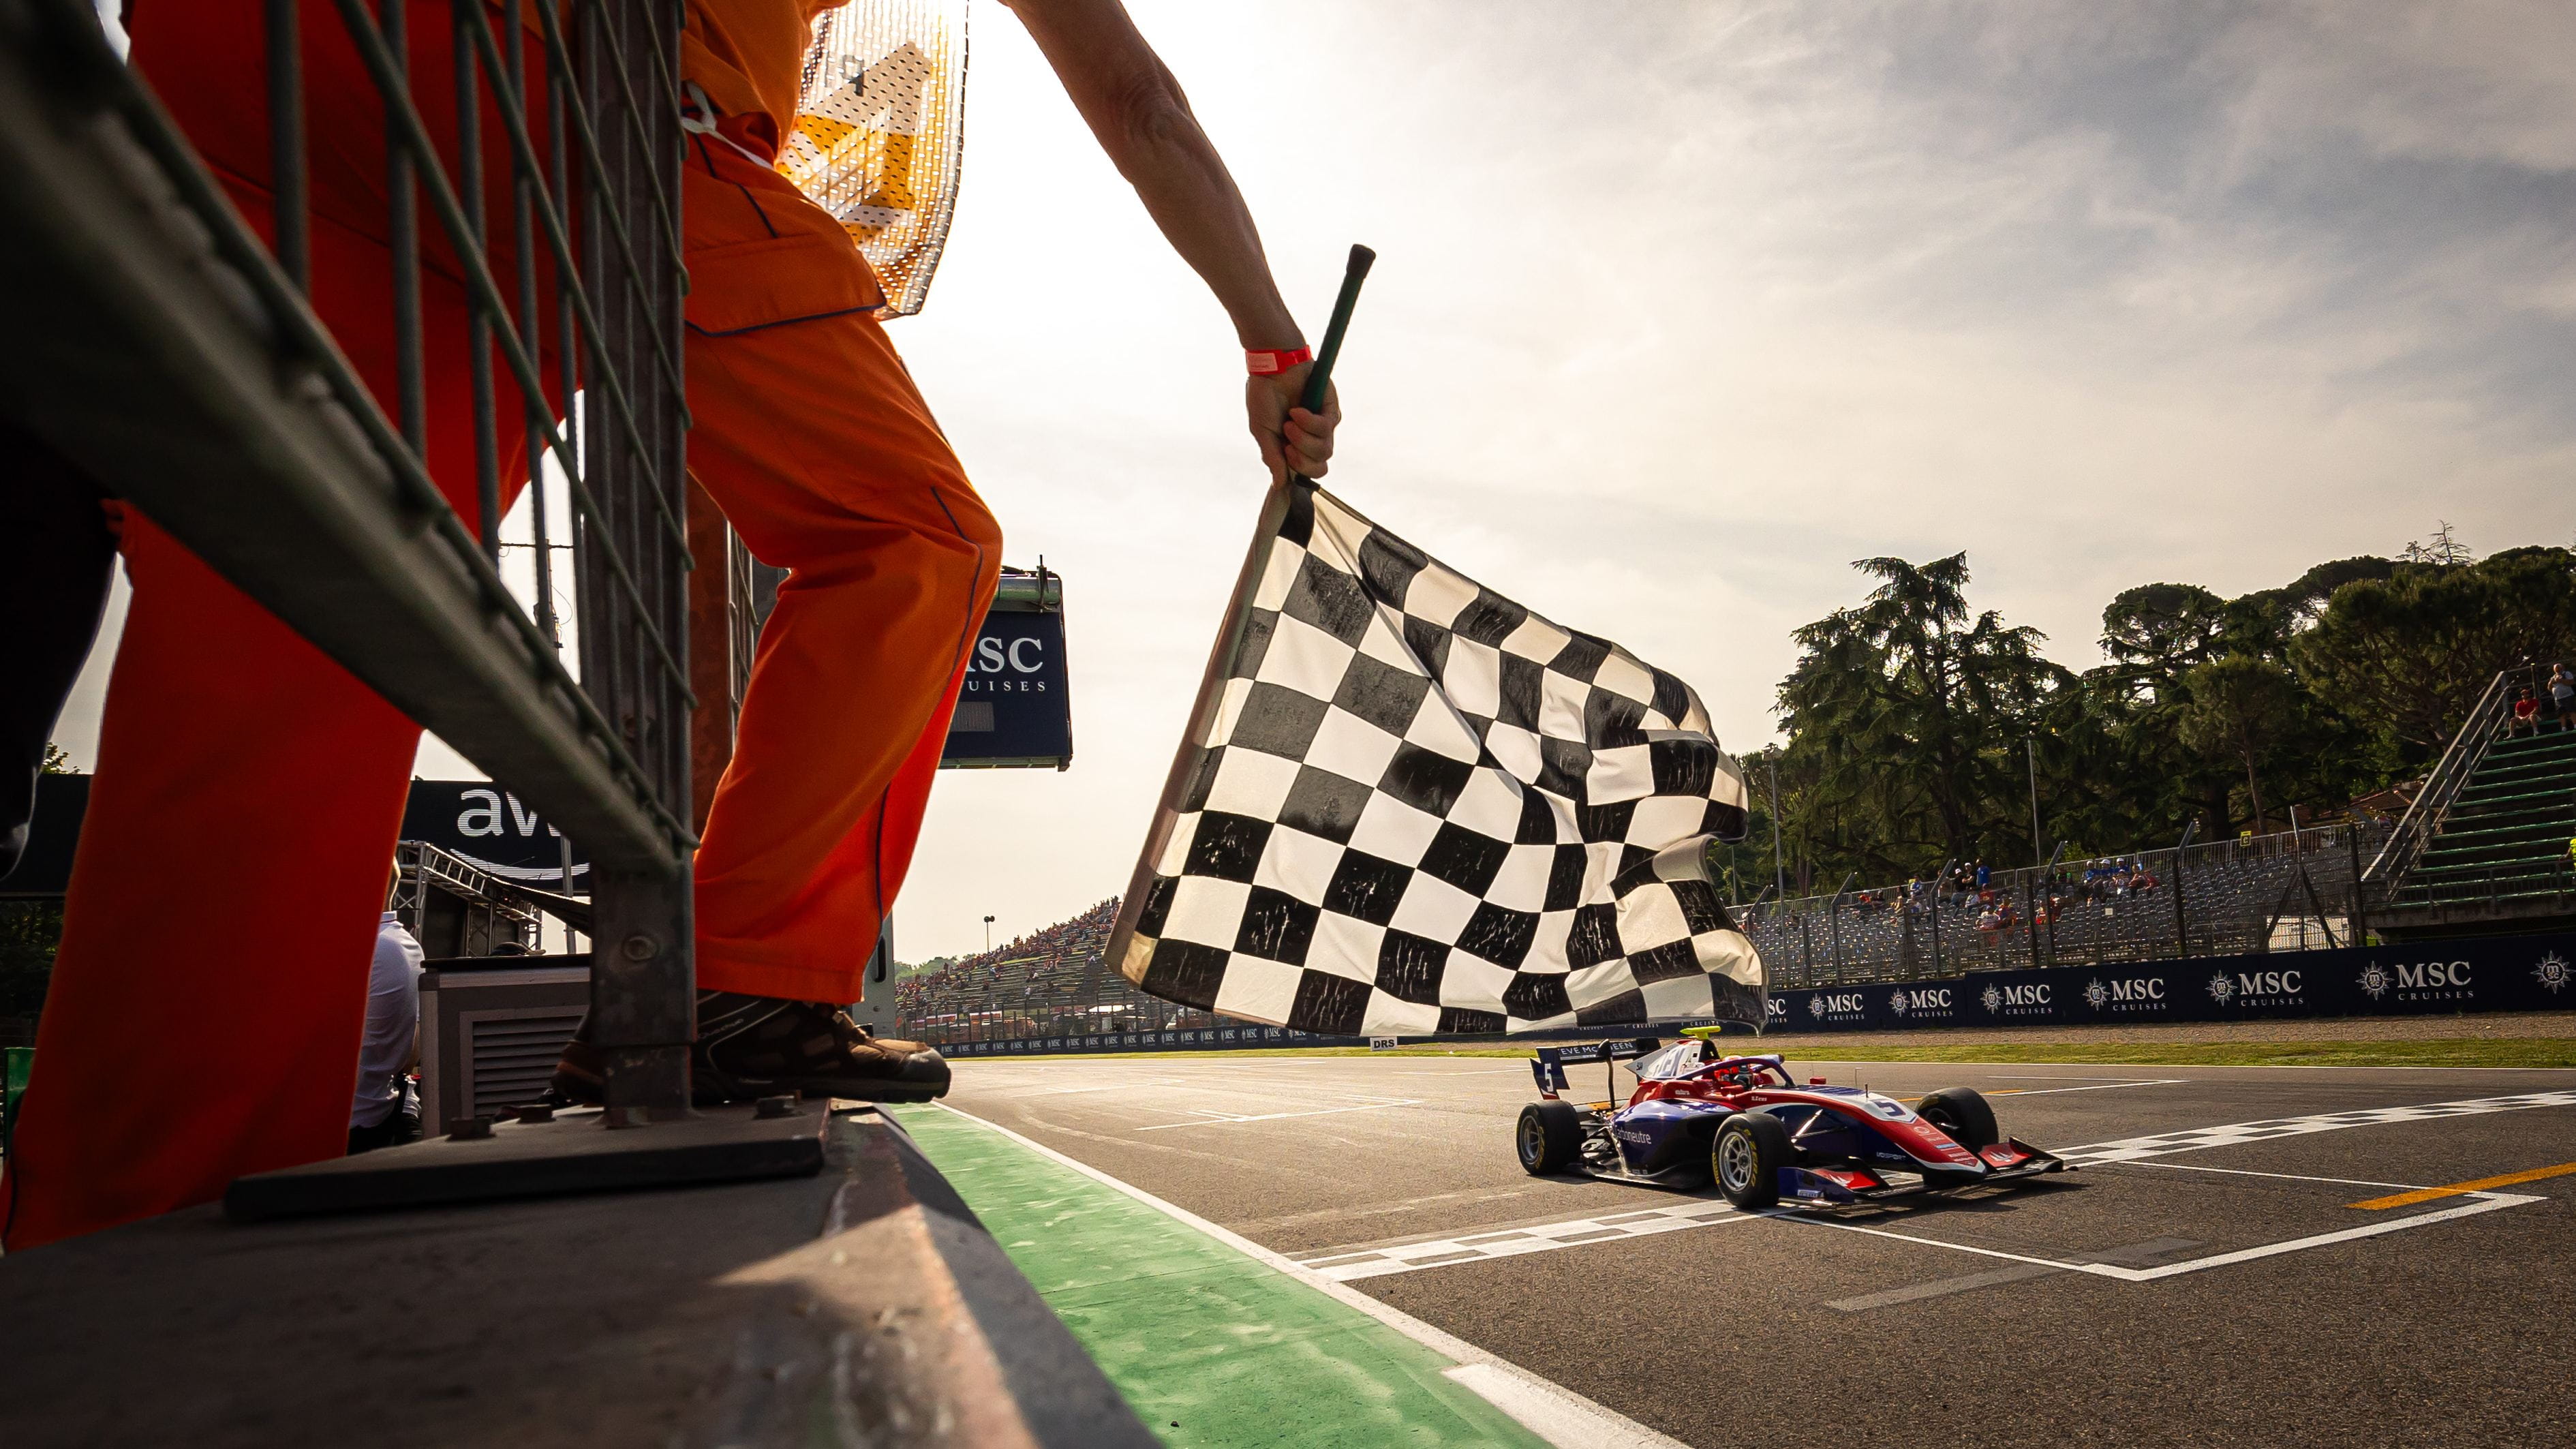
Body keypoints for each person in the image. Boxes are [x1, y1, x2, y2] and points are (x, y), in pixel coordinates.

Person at [4, 0, 1338, 1250]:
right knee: (913, 538)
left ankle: (119, 1218)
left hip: (257, 65)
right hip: (569, 102)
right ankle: (742, 981)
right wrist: (1275, 346)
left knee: (307, 638)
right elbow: (1135, 96)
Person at [350, 860, 425, 1155]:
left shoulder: (372, 948)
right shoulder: (402, 943)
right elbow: (413, 1051)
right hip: (372, 1112)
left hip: (351, 1120)